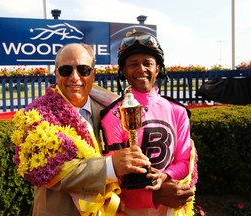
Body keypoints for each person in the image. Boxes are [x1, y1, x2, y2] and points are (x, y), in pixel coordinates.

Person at [12, 42, 195, 216]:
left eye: (83, 70)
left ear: (93, 73)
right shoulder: (37, 117)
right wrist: (110, 166)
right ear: (56, 73)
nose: (74, 77)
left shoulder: (110, 109)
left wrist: (161, 183)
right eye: (66, 70)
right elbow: (55, 171)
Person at [100, 31, 198, 215]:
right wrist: (153, 195)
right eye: (133, 64)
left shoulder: (178, 111)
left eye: (148, 63)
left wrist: (164, 176)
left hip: (169, 206)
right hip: (128, 209)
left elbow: (184, 161)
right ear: (124, 71)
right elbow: (115, 172)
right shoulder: (112, 114)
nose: (141, 69)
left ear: (158, 68)